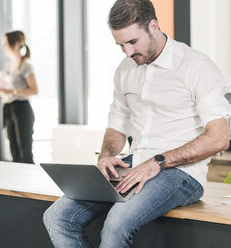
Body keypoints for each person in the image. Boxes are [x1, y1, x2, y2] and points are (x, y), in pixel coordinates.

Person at [43, 0, 231, 247]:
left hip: (182, 173)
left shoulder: (197, 66)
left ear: (153, 27)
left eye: (133, 42)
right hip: (134, 163)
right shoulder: (125, 70)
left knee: (116, 223)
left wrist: (157, 162)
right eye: (120, 45)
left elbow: (219, 137)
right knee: (57, 217)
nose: (128, 52)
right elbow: (117, 124)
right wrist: (106, 156)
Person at [0, 30, 38, 164]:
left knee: (25, 153)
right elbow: (8, 87)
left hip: (21, 109)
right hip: (9, 108)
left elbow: (34, 90)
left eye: (5, 44)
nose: (3, 47)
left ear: (15, 44)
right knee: (14, 153)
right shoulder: (9, 65)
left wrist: (12, 92)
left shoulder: (26, 65)